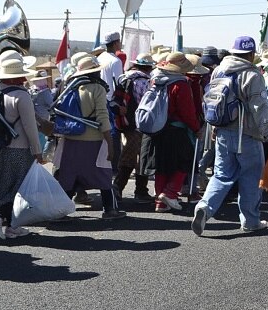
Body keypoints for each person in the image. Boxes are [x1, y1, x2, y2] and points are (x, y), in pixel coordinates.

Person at [191, 35, 268, 236]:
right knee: (251, 176)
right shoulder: (252, 74)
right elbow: (260, 107)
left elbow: (213, 102)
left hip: (222, 132)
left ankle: (204, 207)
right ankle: (250, 221)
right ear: (251, 53)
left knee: (221, 175)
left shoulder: (219, 71)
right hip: (247, 135)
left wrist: (214, 128)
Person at [0, 56, 44, 239]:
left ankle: (10, 224)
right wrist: (37, 151)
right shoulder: (21, 96)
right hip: (19, 148)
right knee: (18, 187)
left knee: (0, 184)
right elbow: (30, 127)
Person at [53, 56, 127, 220]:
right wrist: (109, 141)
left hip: (71, 138)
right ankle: (109, 210)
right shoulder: (97, 88)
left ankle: (60, 211)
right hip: (94, 140)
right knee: (103, 173)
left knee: (70, 174)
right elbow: (102, 116)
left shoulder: (70, 87)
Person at [136, 52, 199, 213]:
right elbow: (187, 112)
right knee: (185, 161)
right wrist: (196, 128)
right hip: (176, 130)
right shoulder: (180, 84)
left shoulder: (155, 80)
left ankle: (160, 201)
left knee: (161, 165)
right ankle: (170, 193)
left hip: (155, 130)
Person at [113, 53, 155, 202]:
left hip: (125, 122)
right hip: (139, 125)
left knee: (129, 155)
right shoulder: (144, 81)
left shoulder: (124, 77)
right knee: (140, 157)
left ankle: (120, 188)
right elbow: (145, 103)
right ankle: (136, 190)